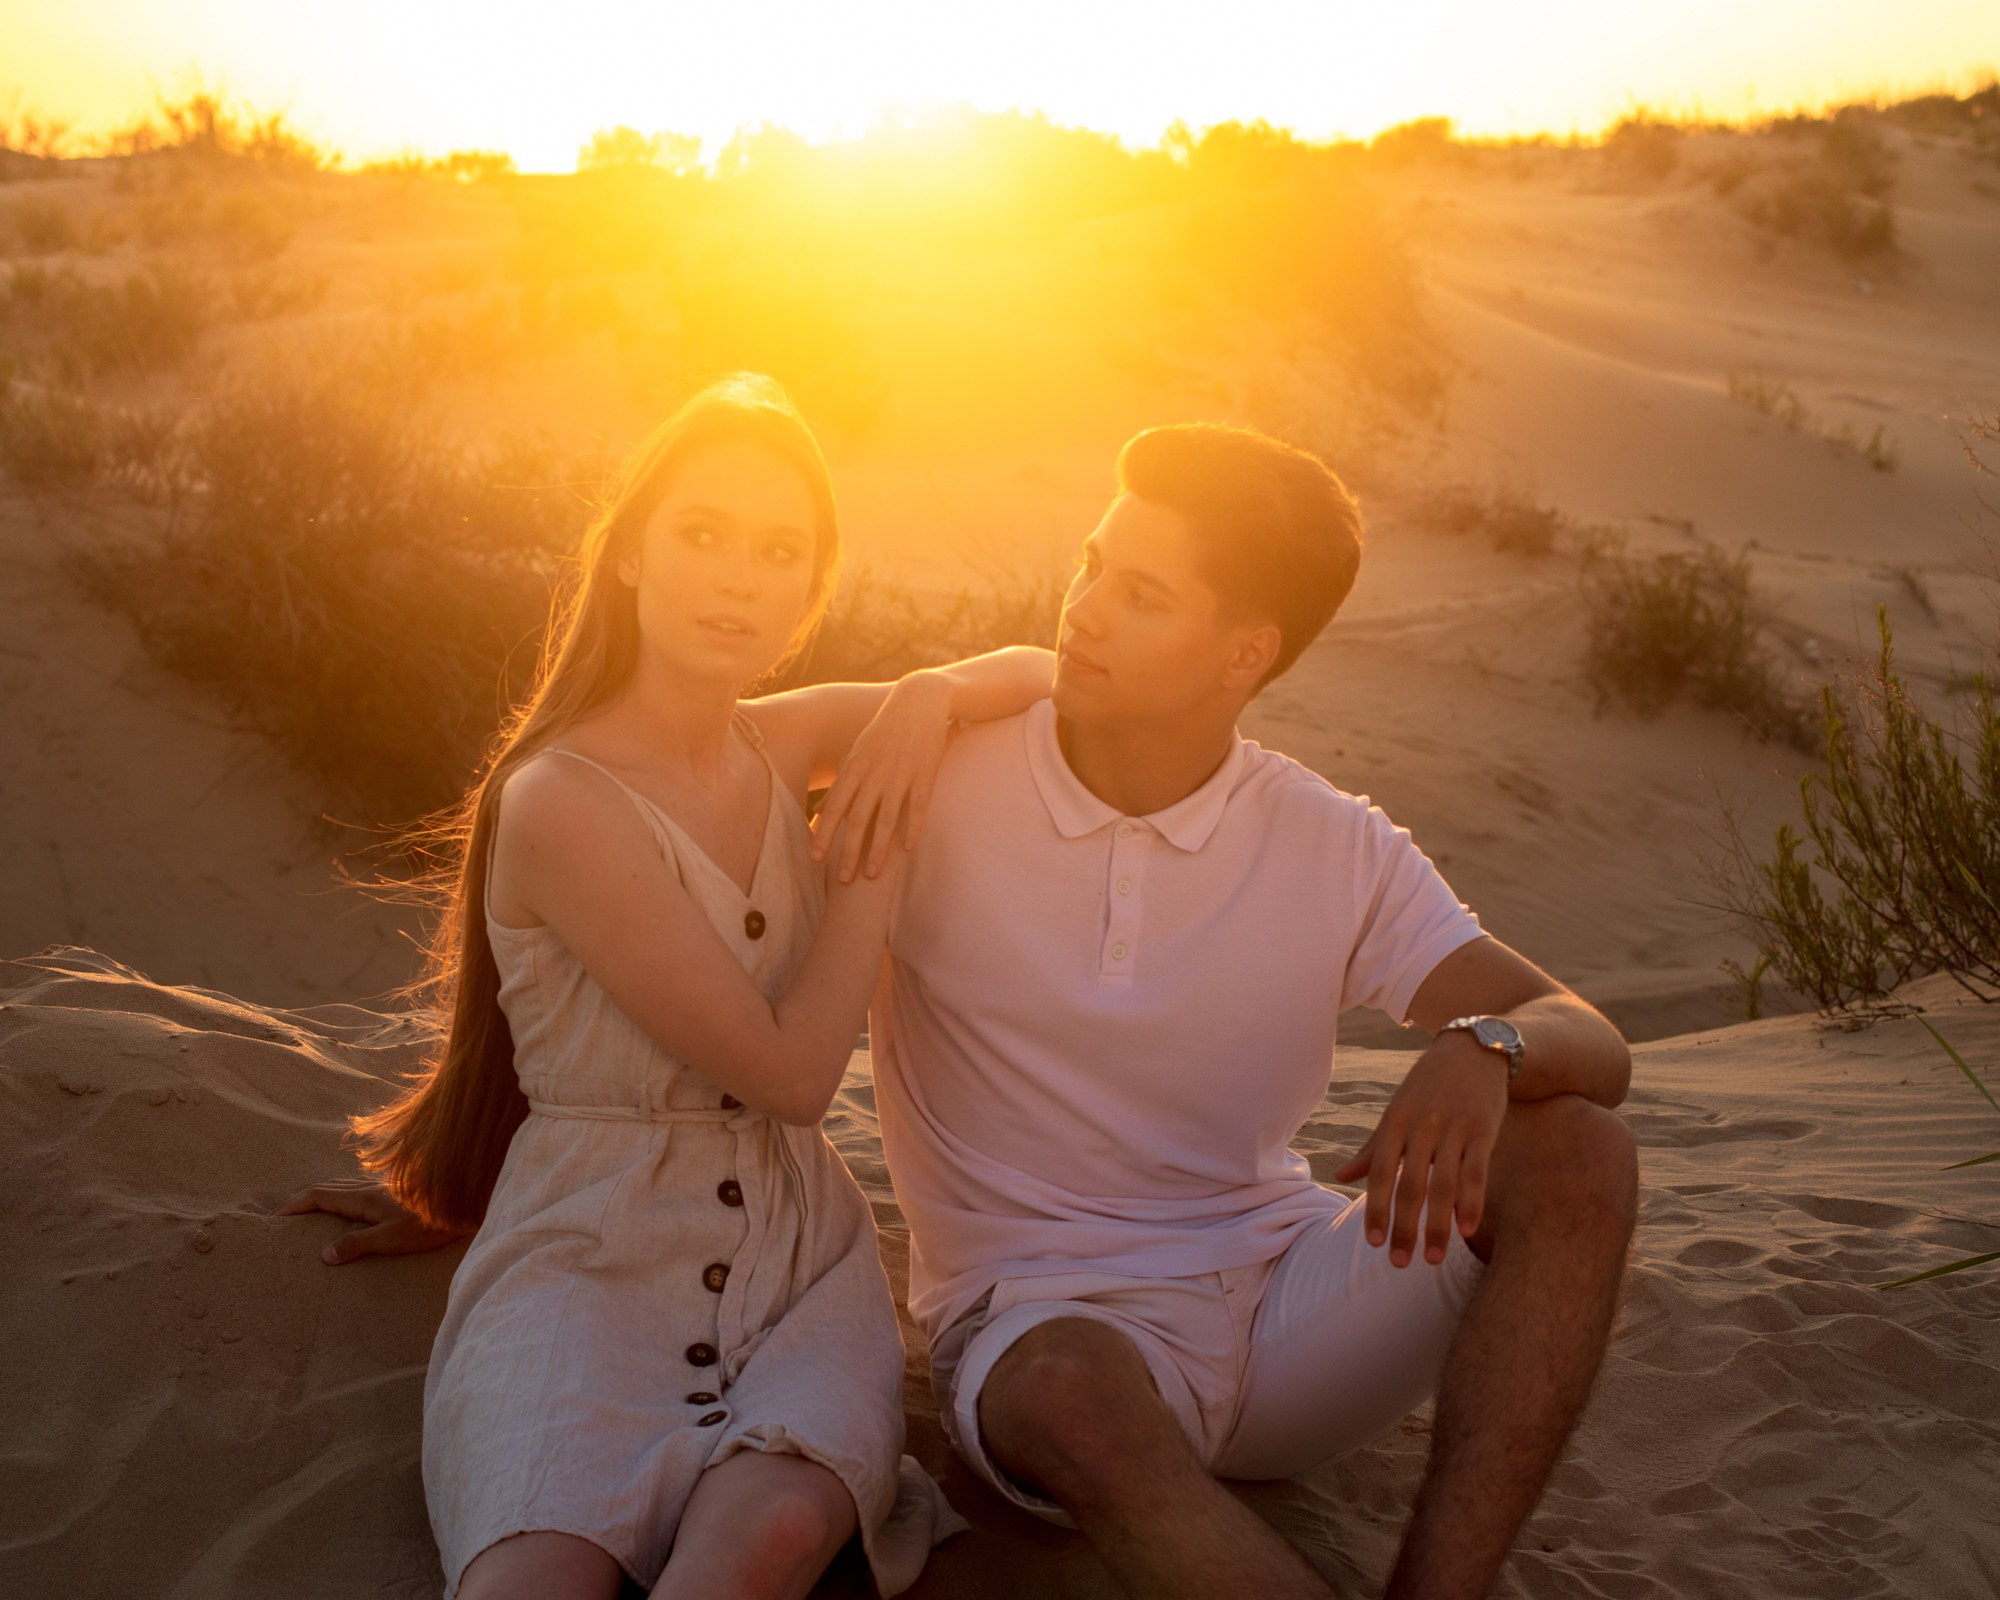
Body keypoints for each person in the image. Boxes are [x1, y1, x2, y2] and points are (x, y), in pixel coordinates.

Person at [281, 373, 1054, 1600]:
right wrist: (875, 845)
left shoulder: (784, 738)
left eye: (777, 551)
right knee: (530, 1580)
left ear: (810, 592)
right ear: (631, 552)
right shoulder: (561, 802)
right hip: (588, 1257)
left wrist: (925, 697)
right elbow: (794, 1075)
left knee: (763, 1544)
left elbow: (1040, 670)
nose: (736, 577)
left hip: (797, 1263)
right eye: (700, 533)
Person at [869, 422, 1639, 1600]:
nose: (1079, 610)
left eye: (1139, 593)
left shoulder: (1328, 840)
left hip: (1284, 1301)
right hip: (1033, 1318)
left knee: (1581, 1148)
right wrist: (924, 687)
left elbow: (1582, 1029)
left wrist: (1489, 1045)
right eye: (1088, 564)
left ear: (1243, 652)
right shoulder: (947, 780)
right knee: (1070, 1389)